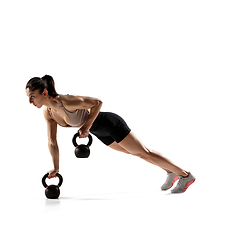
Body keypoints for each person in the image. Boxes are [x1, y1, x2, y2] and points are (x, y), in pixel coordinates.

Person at [26, 75, 195, 193]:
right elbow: (52, 141)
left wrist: (86, 126)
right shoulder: (48, 113)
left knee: (144, 153)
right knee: (139, 154)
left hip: (110, 123)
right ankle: (170, 172)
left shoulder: (67, 101)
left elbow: (97, 103)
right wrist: (56, 167)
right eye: (28, 97)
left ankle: (185, 175)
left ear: (45, 93)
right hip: (100, 132)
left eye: (32, 96)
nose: (30, 101)